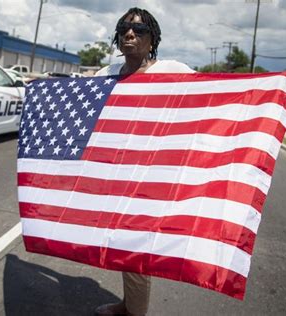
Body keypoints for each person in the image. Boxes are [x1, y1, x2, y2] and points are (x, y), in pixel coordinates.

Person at [94, 7, 194, 316]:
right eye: (124, 27)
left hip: (150, 179)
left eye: (139, 30)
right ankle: (130, 305)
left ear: (153, 40)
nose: (129, 33)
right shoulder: (107, 74)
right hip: (115, 175)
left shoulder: (173, 71)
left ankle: (133, 312)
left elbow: (213, 94)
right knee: (120, 245)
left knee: (134, 247)